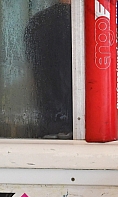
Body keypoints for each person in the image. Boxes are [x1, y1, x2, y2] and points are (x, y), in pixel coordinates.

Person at [24, 0, 73, 139]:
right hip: (82, 127)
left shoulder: (35, 24)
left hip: (48, 127)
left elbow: (33, 81)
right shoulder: (85, 23)